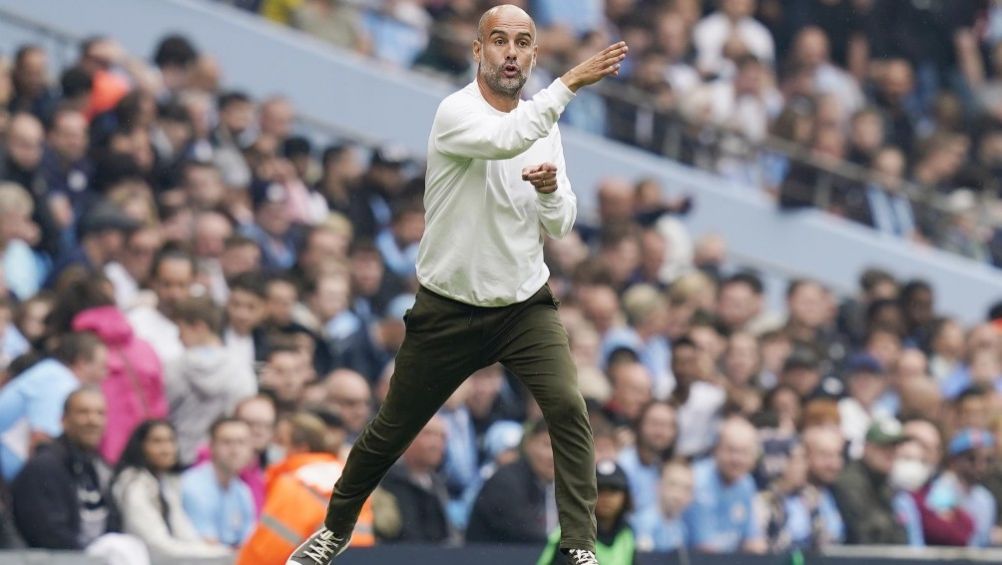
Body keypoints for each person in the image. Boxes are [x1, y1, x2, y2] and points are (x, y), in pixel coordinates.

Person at [288, 6, 629, 565]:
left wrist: (548, 191)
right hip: (449, 307)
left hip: (523, 305)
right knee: (392, 430)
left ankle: (578, 547)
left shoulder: (545, 126)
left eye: (523, 43)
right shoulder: (456, 112)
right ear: (478, 51)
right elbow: (503, 139)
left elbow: (562, 222)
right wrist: (569, 83)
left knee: (568, 407)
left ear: (534, 56)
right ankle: (335, 529)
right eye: (499, 41)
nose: (512, 52)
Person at [11, 387, 151, 565]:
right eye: (83, 412)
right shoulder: (43, 467)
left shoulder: (100, 467)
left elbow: (113, 524)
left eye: (100, 413)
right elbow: (47, 534)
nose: (93, 420)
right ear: (63, 420)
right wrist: (91, 556)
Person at [237, 412, 374, 565]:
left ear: (301, 447)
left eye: (281, 441)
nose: (274, 446)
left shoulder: (293, 484)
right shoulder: (347, 476)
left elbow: (266, 552)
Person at [110, 420, 231, 557]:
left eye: (171, 441)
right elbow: (157, 544)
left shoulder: (167, 482)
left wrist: (213, 551)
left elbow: (183, 531)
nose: (166, 449)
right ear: (140, 446)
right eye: (157, 442)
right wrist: (216, 553)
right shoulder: (133, 484)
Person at [0, 332, 107, 482]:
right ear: (82, 363)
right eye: (102, 366)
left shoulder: (55, 374)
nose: (105, 374)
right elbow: (41, 440)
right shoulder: (58, 381)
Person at [166, 295, 256, 465]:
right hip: (226, 461)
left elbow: (161, 412)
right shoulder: (241, 369)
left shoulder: (172, 368)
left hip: (178, 459)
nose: (179, 338)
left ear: (199, 327)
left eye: (181, 330)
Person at [683, 416, 767, 553]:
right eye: (731, 450)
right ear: (716, 449)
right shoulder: (696, 479)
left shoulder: (746, 483)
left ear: (754, 457)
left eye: (744, 452)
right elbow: (704, 548)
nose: (736, 459)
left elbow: (753, 539)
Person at [466, 419, 556, 545]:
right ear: (528, 444)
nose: (553, 455)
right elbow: (528, 532)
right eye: (547, 445)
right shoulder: (505, 482)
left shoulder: (547, 485)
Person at [372, 415, 454, 543]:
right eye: (428, 434)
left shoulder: (438, 484)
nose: (436, 444)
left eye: (442, 437)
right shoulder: (386, 480)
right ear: (406, 438)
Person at [538, 460, 637, 565]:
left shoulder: (627, 533)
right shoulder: (570, 534)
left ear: (626, 496)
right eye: (599, 489)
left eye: (613, 490)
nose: (606, 498)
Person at [180, 418, 256, 548]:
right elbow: (207, 545)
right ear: (211, 446)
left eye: (241, 442)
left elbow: (250, 542)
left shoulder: (243, 490)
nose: (235, 450)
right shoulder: (193, 486)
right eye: (227, 442)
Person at [832, 418, 910, 544]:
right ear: (867, 447)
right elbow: (867, 533)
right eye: (884, 447)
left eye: (894, 447)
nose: (891, 453)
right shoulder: (849, 481)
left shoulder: (885, 483)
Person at [631, 460, 694, 552]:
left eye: (687, 488)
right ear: (658, 485)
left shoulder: (682, 529)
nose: (678, 495)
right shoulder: (643, 523)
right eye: (673, 484)